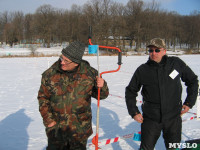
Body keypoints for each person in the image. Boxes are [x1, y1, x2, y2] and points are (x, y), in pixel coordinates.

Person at [125, 38, 198, 150]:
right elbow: (130, 91)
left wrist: (189, 102)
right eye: (151, 50)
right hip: (151, 119)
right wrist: (134, 111)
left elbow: (192, 81)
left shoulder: (176, 63)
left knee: (174, 147)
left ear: (164, 51)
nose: (153, 53)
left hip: (173, 118)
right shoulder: (143, 70)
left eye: (157, 50)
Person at [37, 41, 109, 150]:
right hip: (57, 131)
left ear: (76, 63)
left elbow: (102, 95)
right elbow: (43, 98)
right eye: (62, 58)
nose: (62, 62)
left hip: (79, 130)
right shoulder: (50, 74)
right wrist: (49, 120)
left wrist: (102, 86)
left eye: (66, 61)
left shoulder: (90, 74)